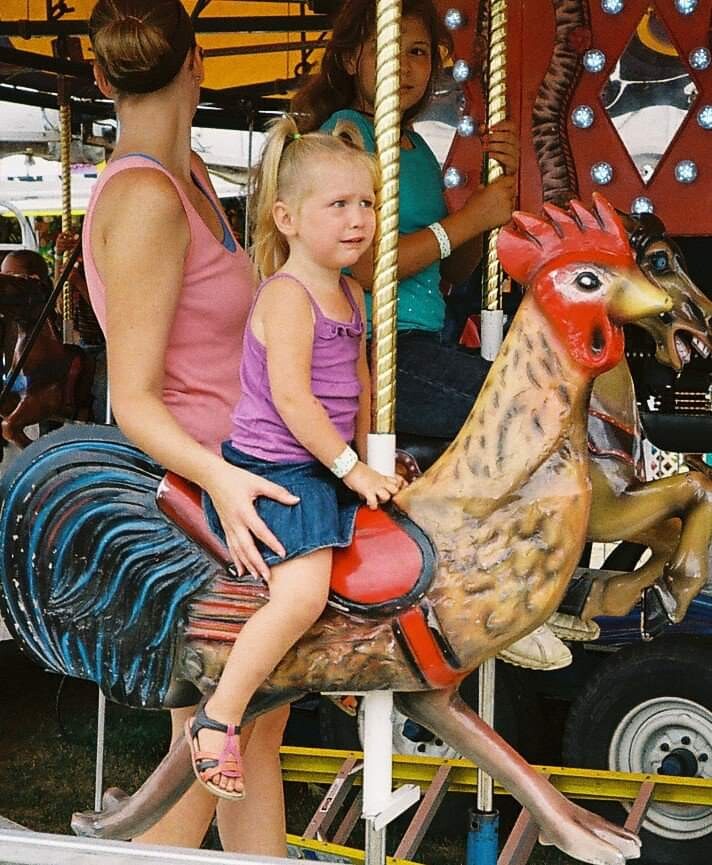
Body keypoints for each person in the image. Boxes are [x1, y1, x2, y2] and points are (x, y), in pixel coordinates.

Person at [293, 0, 570, 669]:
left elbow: (450, 271)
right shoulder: (349, 136)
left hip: (421, 336)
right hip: (372, 348)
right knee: (513, 413)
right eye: (392, 48)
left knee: (529, 407)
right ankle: (500, 585)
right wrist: (466, 218)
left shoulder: (415, 150)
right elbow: (360, 264)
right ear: (354, 58)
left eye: (421, 52)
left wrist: (484, 198)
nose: (408, 66)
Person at [83, 0, 298, 854]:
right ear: (198, 60)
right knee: (211, 746)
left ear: (101, 78)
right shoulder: (144, 197)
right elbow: (134, 398)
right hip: (204, 502)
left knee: (249, 735)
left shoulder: (193, 179)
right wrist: (222, 479)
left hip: (241, 484)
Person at [194, 115, 405, 798]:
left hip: (329, 465)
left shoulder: (350, 291)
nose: (358, 218)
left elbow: (365, 384)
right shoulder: (287, 296)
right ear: (286, 217)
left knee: (386, 562)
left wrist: (376, 458)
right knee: (303, 591)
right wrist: (353, 469)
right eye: (338, 204)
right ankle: (216, 717)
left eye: (367, 202)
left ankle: (340, 665)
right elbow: (294, 400)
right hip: (279, 471)